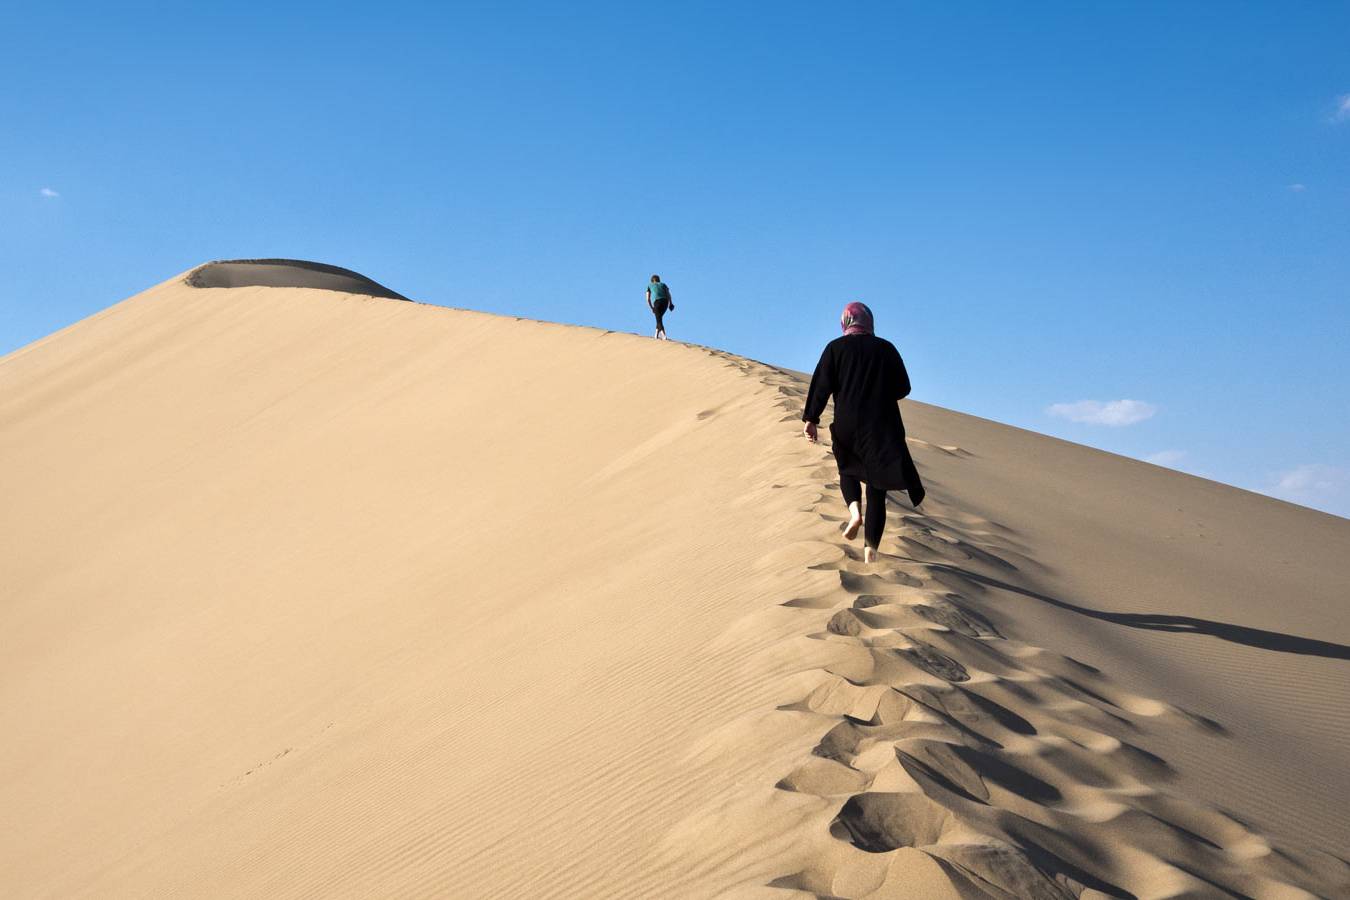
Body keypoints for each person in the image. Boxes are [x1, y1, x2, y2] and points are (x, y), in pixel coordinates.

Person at [802, 302, 925, 564]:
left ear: (846, 322)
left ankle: (854, 512)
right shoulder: (886, 349)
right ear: (869, 322)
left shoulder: (835, 348)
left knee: (848, 469)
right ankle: (871, 551)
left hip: (847, 422)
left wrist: (811, 418)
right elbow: (904, 387)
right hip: (882, 425)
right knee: (877, 488)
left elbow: (821, 385)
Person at [646, 275, 674, 340]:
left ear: (652, 281)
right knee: (659, 317)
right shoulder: (663, 284)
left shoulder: (650, 285)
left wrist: (651, 308)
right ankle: (656, 334)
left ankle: (663, 335)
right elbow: (668, 294)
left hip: (657, 302)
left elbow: (648, 299)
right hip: (665, 302)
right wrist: (671, 303)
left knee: (658, 319)